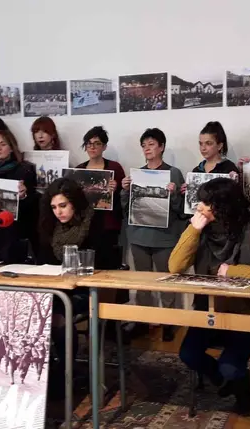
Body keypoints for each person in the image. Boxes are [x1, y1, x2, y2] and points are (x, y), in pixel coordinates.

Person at [170, 178, 250, 415]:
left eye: (206, 202)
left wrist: (232, 271)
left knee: (230, 366)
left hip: (246, 315)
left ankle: (241, 390)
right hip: (209, 311)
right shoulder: (199, 231)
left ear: (223, 206)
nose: (199, 207)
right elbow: (175, 266)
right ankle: (225, 382)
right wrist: (193, 230)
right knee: (188, 354)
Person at [38, 178, 120, 400]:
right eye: (54, 207)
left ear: (74, 203)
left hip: (87, 288)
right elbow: (45, 260)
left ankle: (66, 369)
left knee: (58, 313)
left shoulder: (94, 220)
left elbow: (102, 261)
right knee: (38, 306)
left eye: (63, 205)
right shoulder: (49, 224)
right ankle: (45, 367)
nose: (58, 212)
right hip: (58, 286)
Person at [121, 128, 186, 342]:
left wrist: (174, 193)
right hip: (139, 235)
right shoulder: (137, 175)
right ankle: (143, 320)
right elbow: (126, 208)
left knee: (166, 280)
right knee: (142, 281)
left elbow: (181, 209)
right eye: (144, 145)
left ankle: (168, 322)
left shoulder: (173, 173)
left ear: (161, 147)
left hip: (165, 236)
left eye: (151, 144)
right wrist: (124, 190)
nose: (147, 149)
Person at [0, 129, 39, 249]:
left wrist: (23, 196)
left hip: (16, 228)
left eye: (3, 144)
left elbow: (33, 203)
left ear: (11, 148)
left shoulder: (25, 169)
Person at [75, 126, 126, 250]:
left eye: (97, 143)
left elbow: (125, 199)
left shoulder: (115, 168)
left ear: (104, 147)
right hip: (83, 225)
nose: (92, 147)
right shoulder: (78, 169)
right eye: (89, 144)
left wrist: (117, 189)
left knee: (106, 263)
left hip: (107, 225)